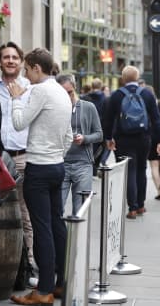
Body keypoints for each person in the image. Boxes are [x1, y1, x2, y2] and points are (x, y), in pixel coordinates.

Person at [7, 48, 72, 305]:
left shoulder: (41, 90)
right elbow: (68, 135)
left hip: (39, 168)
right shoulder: (61, 91)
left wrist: (15, 98)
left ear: (36, 67)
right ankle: (60, 284)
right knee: (57, 224)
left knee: (42, 227)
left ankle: (43, 291)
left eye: (26, 69)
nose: (25, 74)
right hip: (57, 166)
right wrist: (56, 153)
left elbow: (19, 123)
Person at [0, 42, 37, 275]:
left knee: (25, 213)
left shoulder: (32, 88)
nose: (10, 61)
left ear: (21, 62)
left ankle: (27, 265)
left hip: (23, 158)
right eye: (6, 57)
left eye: (14, 57)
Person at [102, 65, 160, 219]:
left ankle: (132, 208)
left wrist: (108, 138)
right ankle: (141, 205)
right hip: (144, 138)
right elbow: (156, 119)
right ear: (137, 77)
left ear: (123, 78)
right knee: (141, 170)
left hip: (123, 139)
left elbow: (108, 120)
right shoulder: (147, 94)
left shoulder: (116, 95)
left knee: (129, 171)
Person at [57, 74, 102, 214]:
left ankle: (77, 237)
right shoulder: (55, 109)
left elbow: (99, 134)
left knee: (80, 210)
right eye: (63, 93)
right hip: (60, 163)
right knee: (57, 208)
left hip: (83, 164)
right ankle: (61, 236)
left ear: (75, 88)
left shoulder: (88, 107)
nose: (67, 96)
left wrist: (85, 138)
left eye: (70, 92)